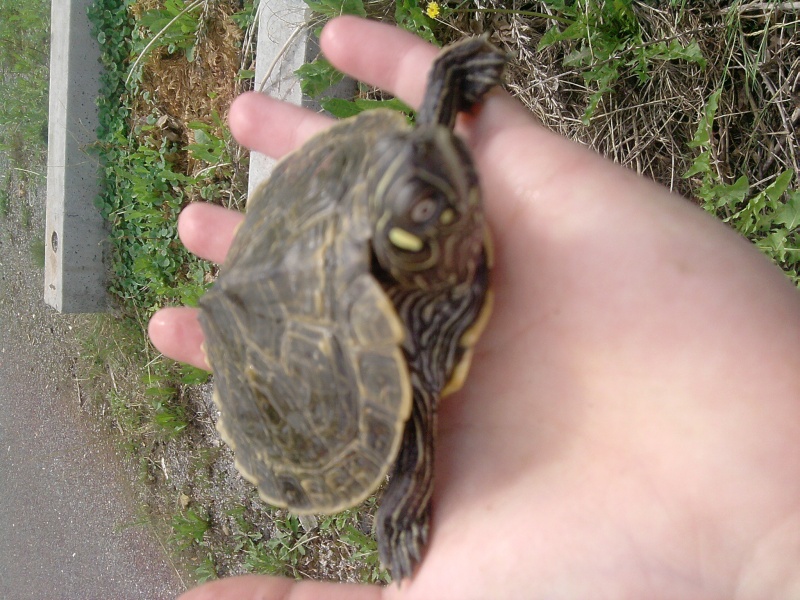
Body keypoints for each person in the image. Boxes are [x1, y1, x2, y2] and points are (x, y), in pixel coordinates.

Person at [148, 16, 800, 600]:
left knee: (414, 193)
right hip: (305, 351)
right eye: (430, 197)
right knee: (411, 405)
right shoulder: (414, 327)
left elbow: (423, 156)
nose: (439, 166)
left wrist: (447, 84)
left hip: (355, 244)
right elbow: (411, 416)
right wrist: (406, 503)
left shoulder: (426, 197)